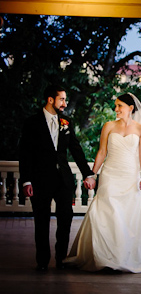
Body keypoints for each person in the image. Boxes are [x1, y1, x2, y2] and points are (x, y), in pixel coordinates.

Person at [65, 93, 141, 273]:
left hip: (130, 176)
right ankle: (104, 256)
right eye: (116, 106)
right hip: (110, 174)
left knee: (127, 217)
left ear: (131, 108)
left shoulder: (140, 129)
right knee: (105, 213)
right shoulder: (109, 126)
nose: (116, 109)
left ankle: (122, 257)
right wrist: (92, 174)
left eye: (120, 106)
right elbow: (102, 152)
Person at [19, 84, 96, 271]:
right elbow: (25, 153)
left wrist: (88, 174)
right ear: (50, 99)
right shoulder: (32, 122)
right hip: (39, 180)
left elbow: (76, 151)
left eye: (65, 99)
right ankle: (42, 261)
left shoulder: (66, 123)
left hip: (63, 181)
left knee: (65, 220)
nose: (65, 103)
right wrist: (26, 180)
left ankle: (61, 258)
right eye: (62, 99)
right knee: (41, 221)